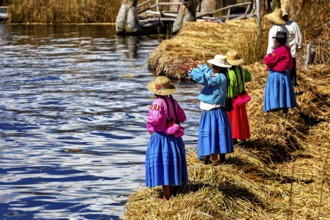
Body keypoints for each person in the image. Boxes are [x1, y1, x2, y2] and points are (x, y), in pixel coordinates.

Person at [145, 76, 188, 200]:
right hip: (174, 139)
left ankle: (166, 196)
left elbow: (155, 120)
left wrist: (149, 121)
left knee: (163, 165)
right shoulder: (173, 102)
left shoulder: (157, 103)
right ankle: (174, 192)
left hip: (161, 139)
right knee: (172, 164)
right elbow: (182, 117)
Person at [187, 55, 234, 164]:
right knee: (219, 134)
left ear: (217, 67)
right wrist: (199, 66)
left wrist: (191, 72)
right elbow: (208, 72)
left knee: (209, 133)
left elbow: (206, 79)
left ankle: (207, 156)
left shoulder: (219, 78)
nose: (212, 67)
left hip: (212, 111)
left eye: (213, 65)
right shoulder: (222, 75)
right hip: (217, 111)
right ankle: (221, 157)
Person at [264, 31, 297, 113]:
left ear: (277, 41)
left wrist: (268, 56)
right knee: (283, 93)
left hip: (276, 76)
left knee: (275, 93)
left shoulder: (279, 51)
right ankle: (284, 110)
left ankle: (275, 108)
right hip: (284, 75)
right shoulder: (287, 49)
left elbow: (268, 61)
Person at [225, 51, 252, 144]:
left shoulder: (230, 73)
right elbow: (249, 78)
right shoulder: (242, 70)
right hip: (241, 98)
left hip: (233, 99)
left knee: (234, 119)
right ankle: (243, 138)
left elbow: (230, 87)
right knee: (242, 118)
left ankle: (234, 139)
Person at [282, 8, 303, 86]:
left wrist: (299, 45)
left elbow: (298, 35)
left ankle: (293, 82)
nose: (285, 17)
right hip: (283, 48)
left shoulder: (293, 24)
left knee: (292, 65)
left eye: (286, 16)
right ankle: (286, 81)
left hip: (292, 47)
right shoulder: (280, 25)